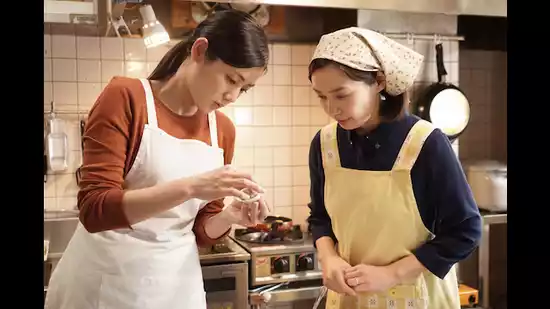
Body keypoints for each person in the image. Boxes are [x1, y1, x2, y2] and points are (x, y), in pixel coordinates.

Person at [45, 10, 271, 309]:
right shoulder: (126, 97)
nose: (232, 96)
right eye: (231, 79)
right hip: (105, 287)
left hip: (175, 289)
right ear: (200, 51)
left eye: (243, 88)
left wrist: (229, 217)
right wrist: (190, 187)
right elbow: (94, 209)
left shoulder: (223, 131)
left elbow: (201, 230)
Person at [306, 27, 482, 309]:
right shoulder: (325, 144)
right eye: (321, 97)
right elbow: (320, 217)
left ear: (378, 81)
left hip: (417, 298)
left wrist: (392, 274)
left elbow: (466, 231)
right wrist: (328, 257)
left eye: (341, 95)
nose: (332, 109)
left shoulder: (426, 144)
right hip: (350, 300)